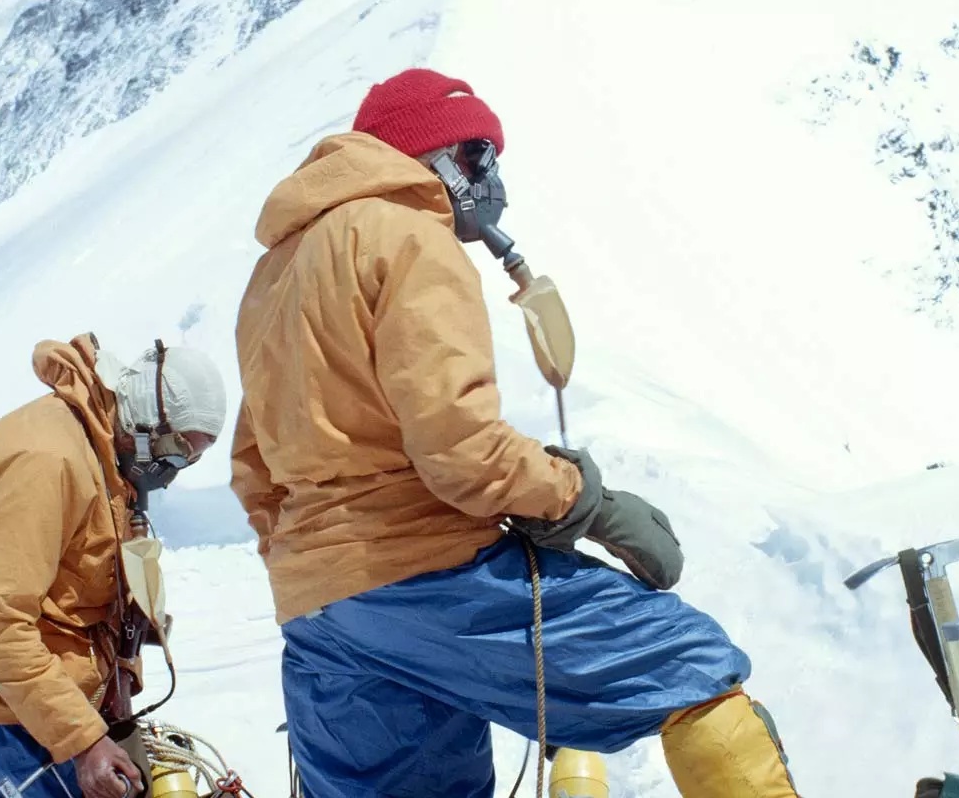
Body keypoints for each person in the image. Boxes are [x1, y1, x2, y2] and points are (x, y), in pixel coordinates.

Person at [230, 66, 800, 798]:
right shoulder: (408, 239)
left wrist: (319, 565)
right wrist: (583, 500)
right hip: (425, 572)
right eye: (480, 156)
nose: (489, 179)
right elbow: (460, 451)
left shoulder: (274, 273)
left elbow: (253, 468)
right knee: (690, 665)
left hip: (319, 613)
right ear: (440, 155)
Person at [0, 332, 227, 798]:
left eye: (187, 461)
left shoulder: (106, 454)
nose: (170, 472)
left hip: (51, 707)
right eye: (172, 453)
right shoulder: (48, 461)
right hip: (1, 717)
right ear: (145, 419)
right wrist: (81, 740)